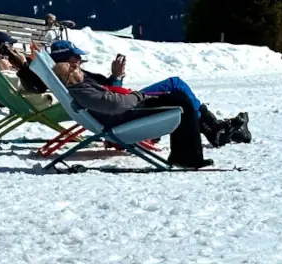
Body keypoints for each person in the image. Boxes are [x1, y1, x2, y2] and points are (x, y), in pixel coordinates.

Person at [42, 40, 215, 169]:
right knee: (180, 99)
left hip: (123, 111)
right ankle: (190, 151)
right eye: (76, 58)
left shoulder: (77, 82)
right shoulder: (80, 88)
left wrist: (116, 77)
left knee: (179, 97)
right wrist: (138, 96)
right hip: (124, 115)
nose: (80, 61)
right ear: (65, 61)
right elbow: (114, 104)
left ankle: (187, 151)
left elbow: (109, 96)